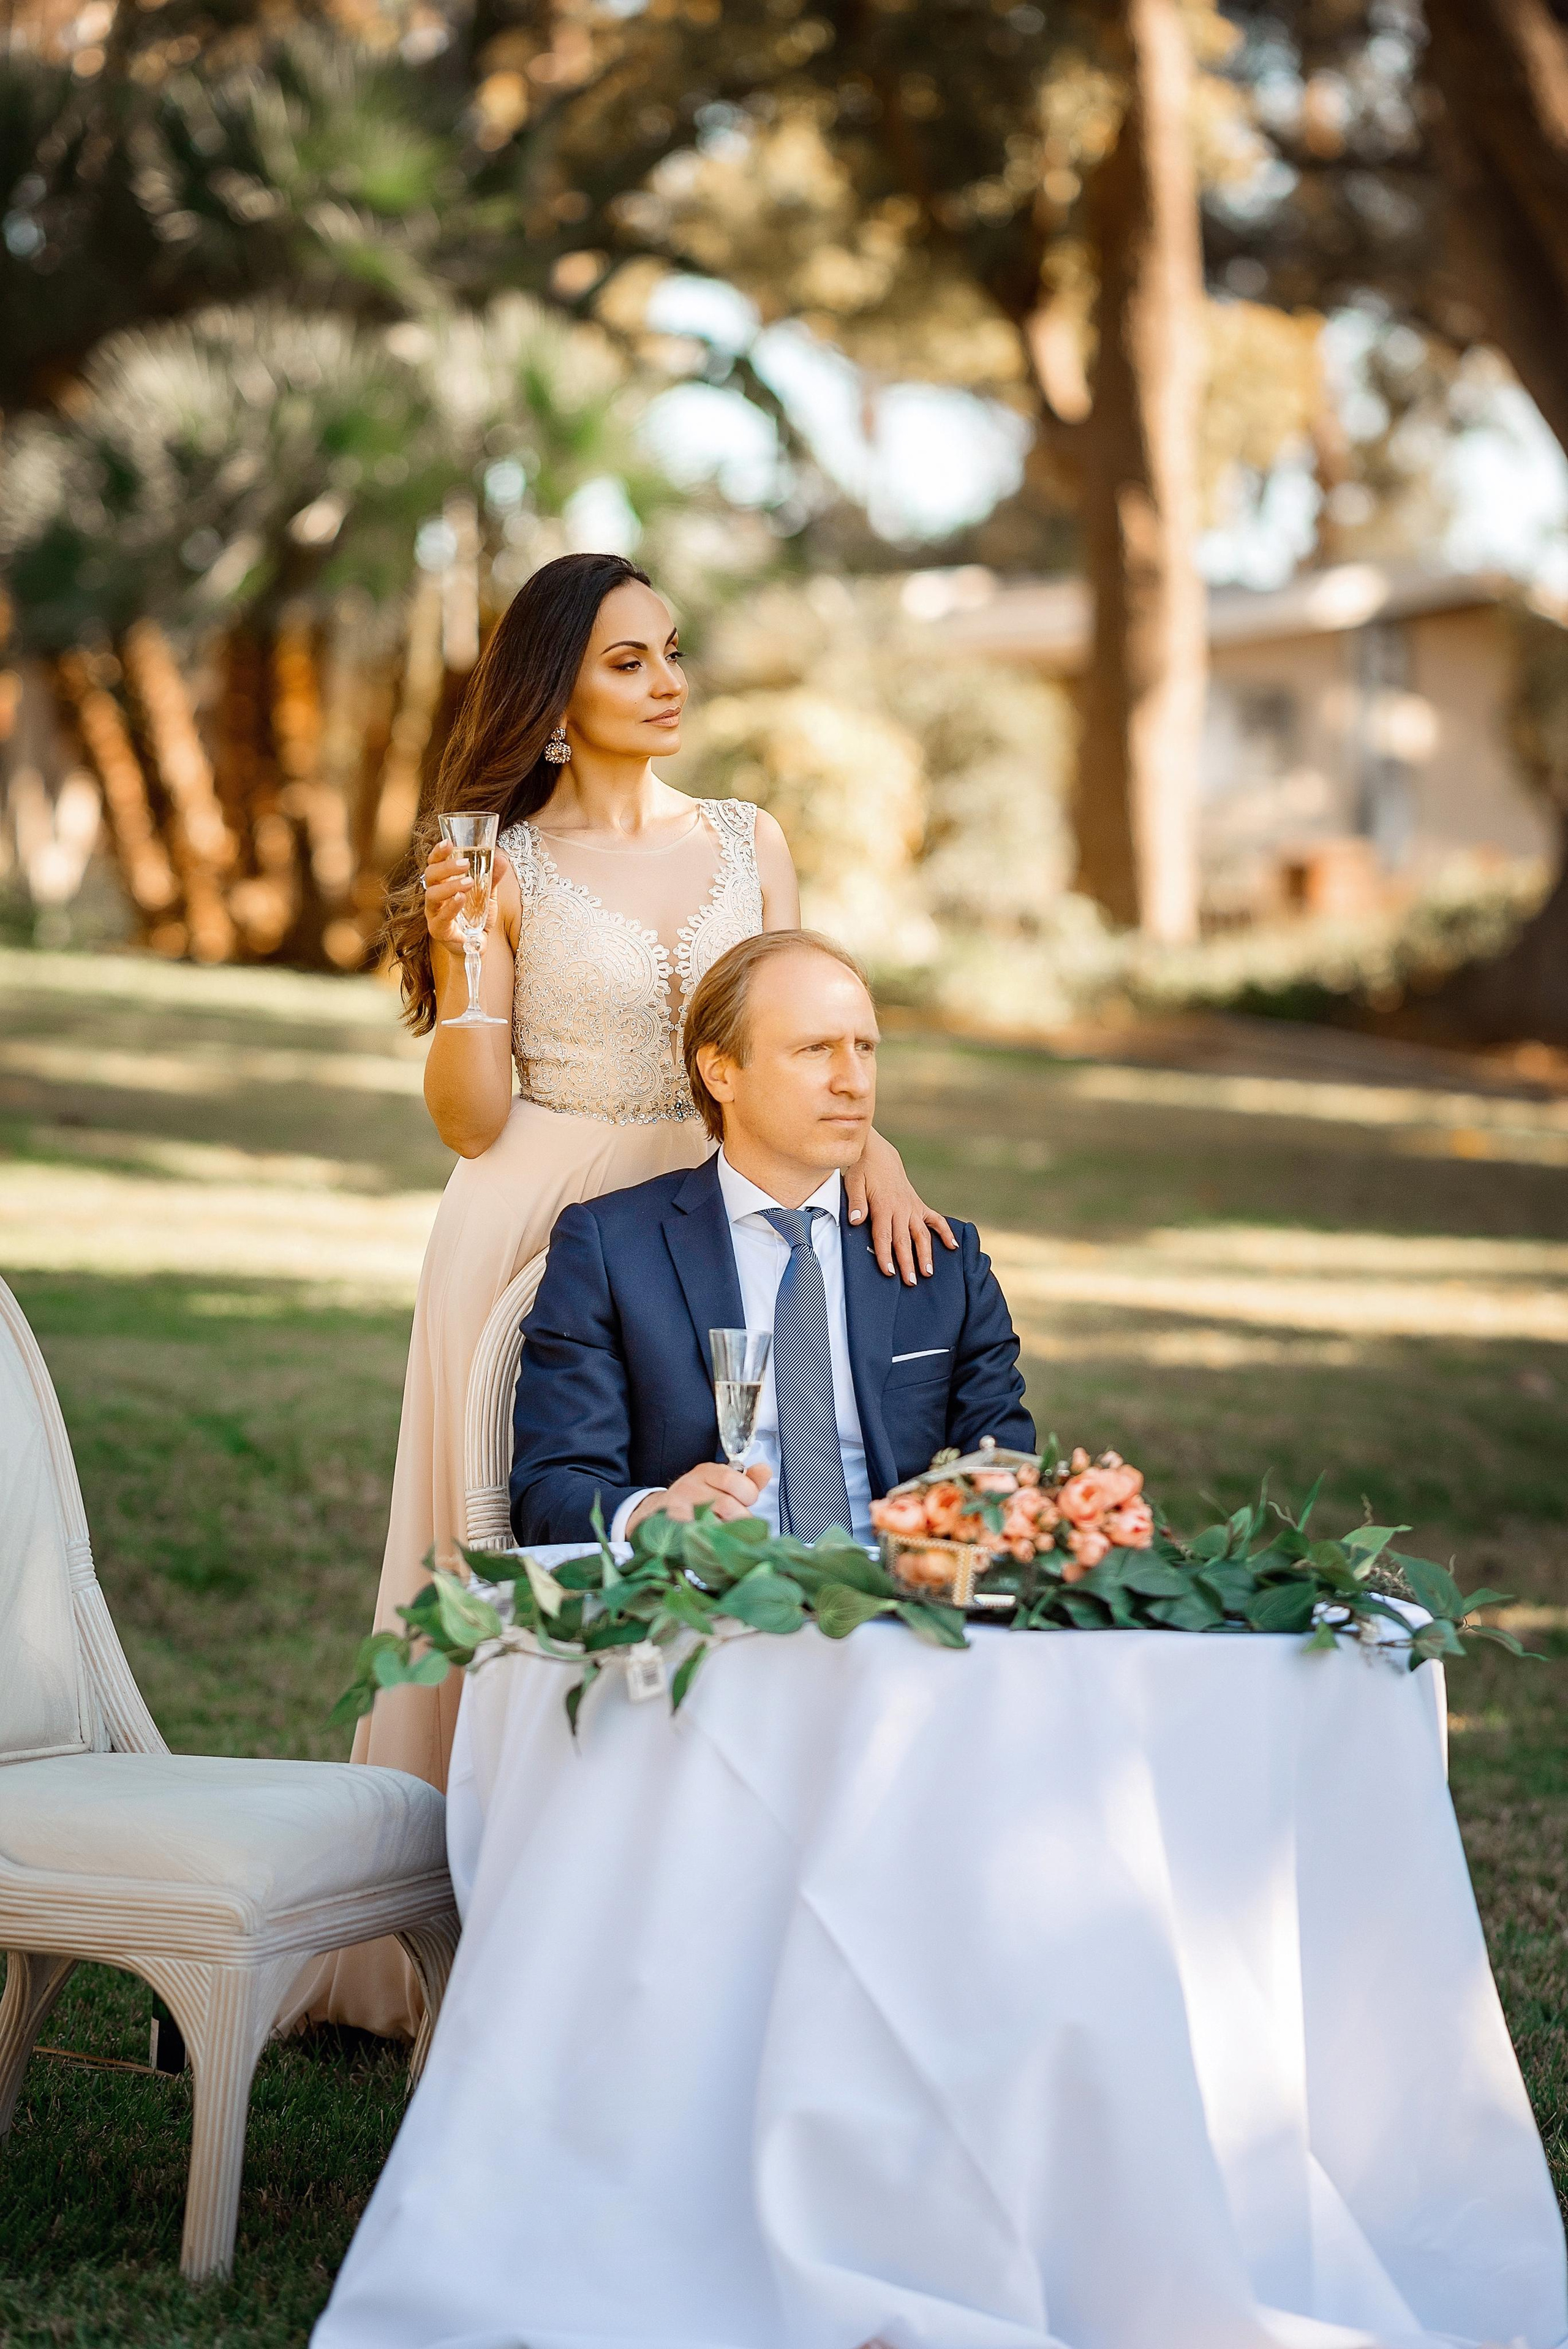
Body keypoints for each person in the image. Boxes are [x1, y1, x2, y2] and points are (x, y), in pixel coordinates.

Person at [286, 553, 954, 2041]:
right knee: (517, 1544)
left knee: (735, 1506)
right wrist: (469, 963)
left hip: (725, 1198)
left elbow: (795, 1026)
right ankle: (452, 1925)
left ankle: (711, 1896)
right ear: (550, 698)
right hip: (531, 1204)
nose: (666, 686)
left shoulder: (744, 838)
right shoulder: (495, 858)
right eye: (626, 663)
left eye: (668, 653)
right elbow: (467, 1117)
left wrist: (877, 1155)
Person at [509, 929, 1035, 1552]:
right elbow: (551, 1488)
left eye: (864, 1048)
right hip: (706, 1611)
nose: (855, 1082)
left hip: (903, 1607)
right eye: (815, 1049)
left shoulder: (944, 1264)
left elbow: (1003, 1474)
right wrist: (653, 1512)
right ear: (721, 1072)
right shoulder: (614, 1251)